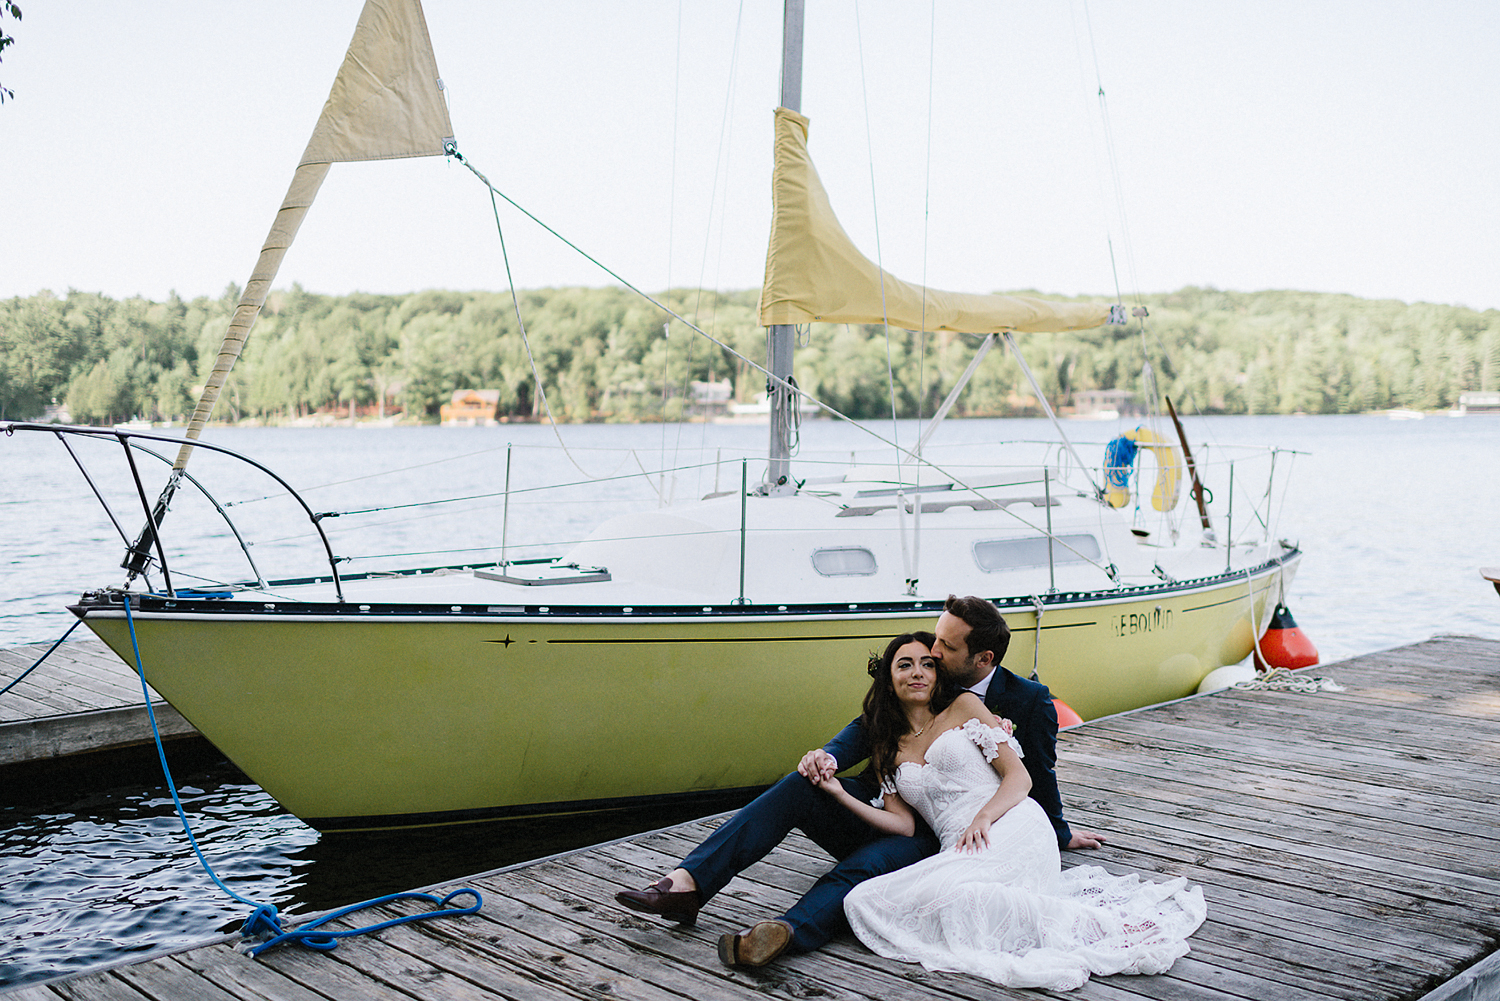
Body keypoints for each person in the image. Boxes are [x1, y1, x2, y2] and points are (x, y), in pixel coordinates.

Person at [613, 595, 1100, 968]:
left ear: (981, 659)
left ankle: (780, 933)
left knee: (864, 873)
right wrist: (825, 762)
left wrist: (1058, 832)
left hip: (956, 836)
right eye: (920, 652)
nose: (929, 655)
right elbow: (855, 739)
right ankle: (688, 884)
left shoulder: (1008, 702)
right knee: (797, 785)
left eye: (940, 652)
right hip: (898, 815)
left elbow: (1036, 771)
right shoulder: (891, 718)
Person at [823, 632, 1206, 990]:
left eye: (927, 663)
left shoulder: (965, 707)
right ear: (889, 680)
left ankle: (1098, 928)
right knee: (863, 899)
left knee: (951, 895)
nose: (917, 672)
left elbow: (1019, 779)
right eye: (904, 665)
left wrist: (985, 817)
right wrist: (841, 794)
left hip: (1012, 822)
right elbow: (903, 825)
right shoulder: (886, 746)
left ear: (938, 675)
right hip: (959, 846)